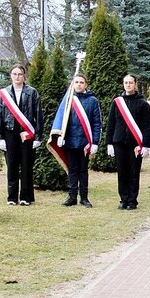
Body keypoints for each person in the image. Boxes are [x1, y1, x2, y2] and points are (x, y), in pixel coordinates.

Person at [0, 64, 44, 206]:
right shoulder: (4, 94)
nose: (17, 77)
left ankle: (25, 197)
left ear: (24, 76)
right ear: (10, 75)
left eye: (20, 74)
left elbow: (38, 115)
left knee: (26, 166)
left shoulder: (32, 92)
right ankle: (12, 197)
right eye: (14, 74)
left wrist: (38, 137)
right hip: (9, 133)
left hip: (27, 134)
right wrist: (0, 137)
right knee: (12, 166)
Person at [106, 74, 150, 210]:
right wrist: (109, 143)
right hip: (119, 142)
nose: (128, 85)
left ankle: (132, 201)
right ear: (123, 84)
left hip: (135, 144)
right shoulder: (117, 102)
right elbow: (111, 123)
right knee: (122, 172)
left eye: (131, 82)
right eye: (126, 82)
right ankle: (123, 199)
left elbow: (146, 126)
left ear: (135, 84)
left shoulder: (143, 104)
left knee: (133, 173)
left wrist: (146, 145)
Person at [60, 73, 102, 208]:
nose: (78, 84)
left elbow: (97, 123)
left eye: (81, 82)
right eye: (76, 82)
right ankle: (72, 197)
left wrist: (95, 142)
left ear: (86, 85)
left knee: (83, 171)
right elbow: (61, 119)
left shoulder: (93, 101)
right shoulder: (68, 99)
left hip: (85, 143)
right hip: (70, 141)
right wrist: (60, 135)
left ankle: (84, 198)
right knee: (72, 170)